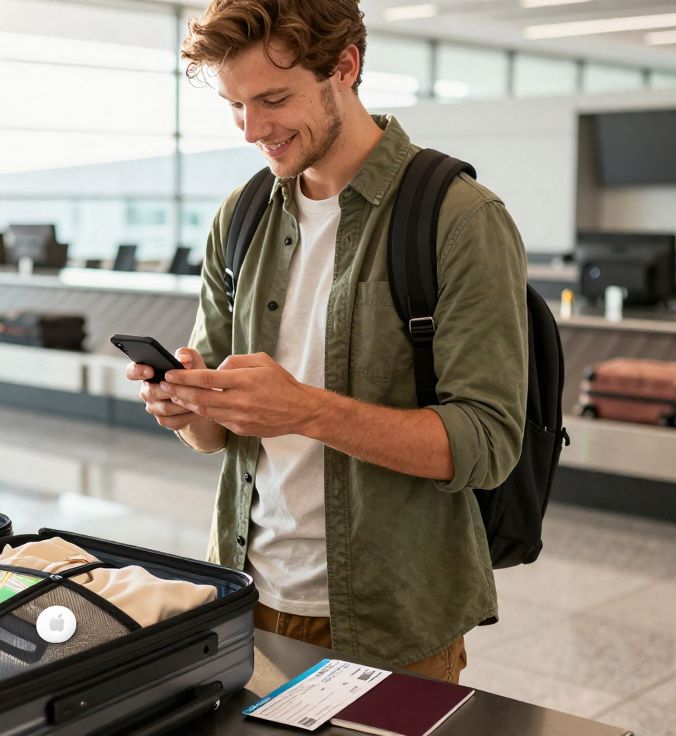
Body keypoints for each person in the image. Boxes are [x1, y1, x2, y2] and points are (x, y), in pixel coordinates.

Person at [124, 0, 528, 684]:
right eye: (235, 105)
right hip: (245, 595)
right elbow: (214, 437)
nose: (252, 129)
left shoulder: (460, 218)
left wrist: (306, 410)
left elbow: (487, 443)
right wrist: (186, 404)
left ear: (344, 67)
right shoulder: (241, 216)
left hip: (394, 617)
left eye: (274, 99)